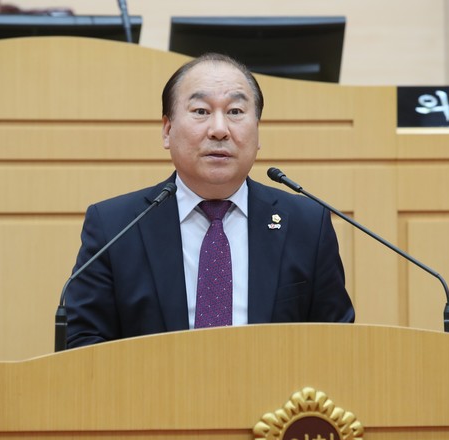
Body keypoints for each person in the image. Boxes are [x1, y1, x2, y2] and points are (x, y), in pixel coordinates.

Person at [64, 53, 354, 348]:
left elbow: (337, 343)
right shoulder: (114, 227)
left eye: (235, 112)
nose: (219, 129)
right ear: (167, 130)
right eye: (201, 111)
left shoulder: (307, 225)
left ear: (257, 131)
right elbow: (82, 344)